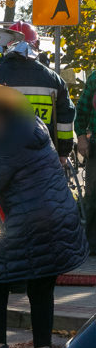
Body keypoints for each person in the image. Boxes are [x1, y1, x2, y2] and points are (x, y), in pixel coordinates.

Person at [0, 85, 88, 348]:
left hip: (30, 221)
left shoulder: (9, 145)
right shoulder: (32, 128)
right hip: (60, 217)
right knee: (41, 282)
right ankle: (42, 347)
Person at [0, 21, 74, 166]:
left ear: (6, 45)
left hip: (2, 159)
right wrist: (63, 152)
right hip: (43, 157)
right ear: (36, 45)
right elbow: (65, 120)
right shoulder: (53, 80)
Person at [74, 70, 96, 252]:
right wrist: (81, 137)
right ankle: (92, 245)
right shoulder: (95, 78)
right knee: (94, 196)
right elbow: (81, 110)